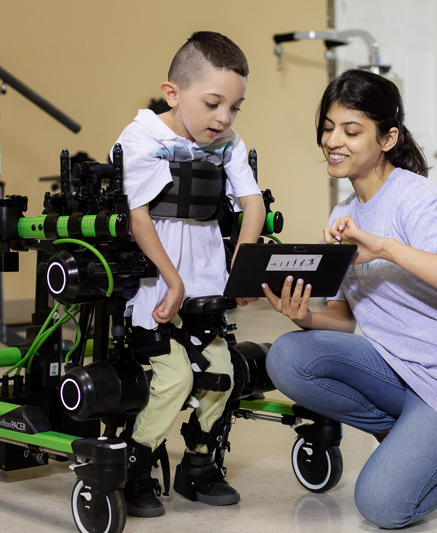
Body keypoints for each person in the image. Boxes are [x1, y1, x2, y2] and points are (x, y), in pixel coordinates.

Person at [262, 69, 437, 528]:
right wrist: (304, 318)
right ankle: (407, 436)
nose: (332, 140)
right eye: (327, 127)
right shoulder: (342, 215)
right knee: (287, 355)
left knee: (381, 506)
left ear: (388, 138)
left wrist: (384, 247)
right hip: (401, 371)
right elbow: (343, 319)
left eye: (351, 130)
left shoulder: (415, 199)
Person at [111, 31, 265, 517]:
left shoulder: (229, 143)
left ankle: (198, 465)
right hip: (155, 287)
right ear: (174, 93)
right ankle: (134, 468)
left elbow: (253, 203)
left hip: (205, 284)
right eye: (214, 103)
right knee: (175, 379)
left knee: (220, 374)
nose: (224, 118)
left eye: (235, 107)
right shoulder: (142, 137)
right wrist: (172, 280)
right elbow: (138, 217)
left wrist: (241, 264)